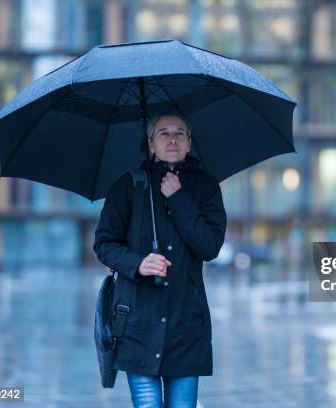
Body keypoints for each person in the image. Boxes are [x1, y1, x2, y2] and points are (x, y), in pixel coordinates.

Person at [93, 112, 227, 408]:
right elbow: (103, 244)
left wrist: (178, 199)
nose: (172, 139)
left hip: (187, 325)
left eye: (180, 133)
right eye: (163, 133)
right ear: (150, 144)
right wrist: (138, 263)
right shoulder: (128, 186)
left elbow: (210, 247)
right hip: (138, 325)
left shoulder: (206, 188)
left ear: (190, 143)